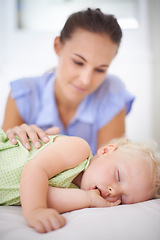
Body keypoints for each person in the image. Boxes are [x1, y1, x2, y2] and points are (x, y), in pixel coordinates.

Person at [2, 8, 135, 155]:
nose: (86, 80)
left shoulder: (111, 93)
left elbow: (109, 169)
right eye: (78, 62)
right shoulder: (22, 94)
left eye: (100, 70)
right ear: (57, 46)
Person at [0, 129, 160, 233]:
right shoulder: (78, 149)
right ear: (106, 151)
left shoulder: (78, 194)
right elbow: (35, 170)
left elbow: (43, 194)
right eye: (118, 176)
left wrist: (88, 199)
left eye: (122, 199)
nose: (114, 191)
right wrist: (35, 210)